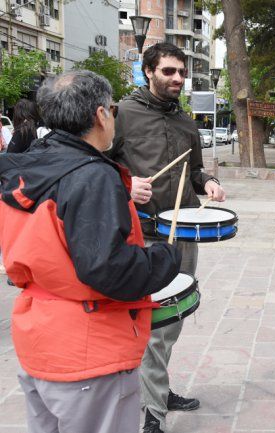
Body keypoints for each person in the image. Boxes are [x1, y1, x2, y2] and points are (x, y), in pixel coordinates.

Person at [0, 70, 181, 433]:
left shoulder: (27, 165)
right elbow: (108, 270)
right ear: (101, 115)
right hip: (88, 350)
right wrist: (166, 258)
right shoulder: (92, 175)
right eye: (111, 109)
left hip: (38, 337)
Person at [110, 42, 226, 433]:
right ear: (148, 71)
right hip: (142, 236)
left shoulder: (186, 121)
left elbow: (194, 169)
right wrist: (126, 184)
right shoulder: (122, 114)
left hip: (183, 234)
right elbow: (96, 164)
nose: (177, 78)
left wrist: (208, 181)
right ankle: (153, 413)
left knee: (173, 317)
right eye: (168, 72)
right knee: (150, 321)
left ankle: (157, 388)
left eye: (181, 72)